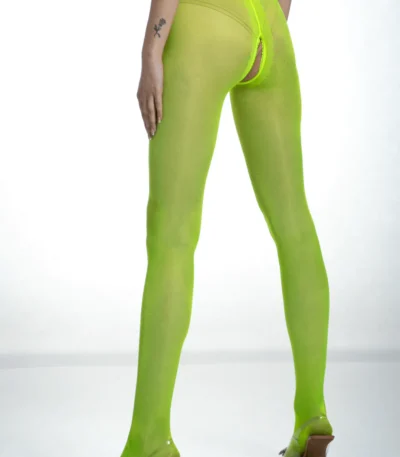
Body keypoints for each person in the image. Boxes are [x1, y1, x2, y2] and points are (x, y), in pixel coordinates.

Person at [121, 0, 335, 456]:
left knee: (172, 234)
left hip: (204, 22)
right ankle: (312, 414)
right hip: (270, 30)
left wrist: (151, 50)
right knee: (294, 224)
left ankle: (149, 441)